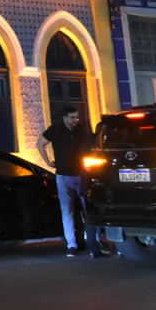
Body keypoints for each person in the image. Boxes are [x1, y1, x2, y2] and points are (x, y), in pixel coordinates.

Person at [36, 105, 104, 258]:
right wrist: (48, 162)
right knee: (67, 211)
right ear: (64, 117)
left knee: (89, 208)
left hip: (81, 174)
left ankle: (94, 240)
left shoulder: (80, 130)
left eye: (77, 117)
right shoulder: (55, 129)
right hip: (63, 175)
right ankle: (72, 244)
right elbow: (40, 144)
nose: (75, 120)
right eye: (72, 118)